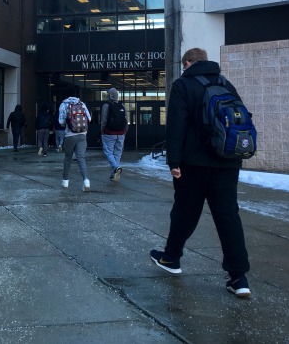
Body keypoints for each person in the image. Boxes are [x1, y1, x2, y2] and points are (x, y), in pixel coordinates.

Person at [150, 48, 252, 298]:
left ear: (187, 62)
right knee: (228, 217)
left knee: (185, 211)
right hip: (227, 161)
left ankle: (171, 258)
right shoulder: (225, 83)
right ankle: (238, 277)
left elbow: (176, 125)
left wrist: (173, 161)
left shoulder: (183, 85)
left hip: (193, 162)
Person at [58, 96, 92, 191]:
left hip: (70, 135)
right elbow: (89, 118)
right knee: (81, 158)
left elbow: (61, 121)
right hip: (82, 134)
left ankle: (65, 181)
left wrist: (68, 124)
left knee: (68, 158)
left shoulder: (64, 104)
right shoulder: (82, 104)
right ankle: (86, 181)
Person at [101, 87, 127, 182]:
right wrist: (125, 131)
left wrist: (102, 130)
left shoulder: (106, 106)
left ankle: (116, 168)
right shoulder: (122, 106)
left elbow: (104, 120)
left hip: (109, 133)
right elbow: (126, 119)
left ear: (109, 95)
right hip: (121, 133)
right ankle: (114, 174)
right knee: (117, 153)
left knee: (108, 151)